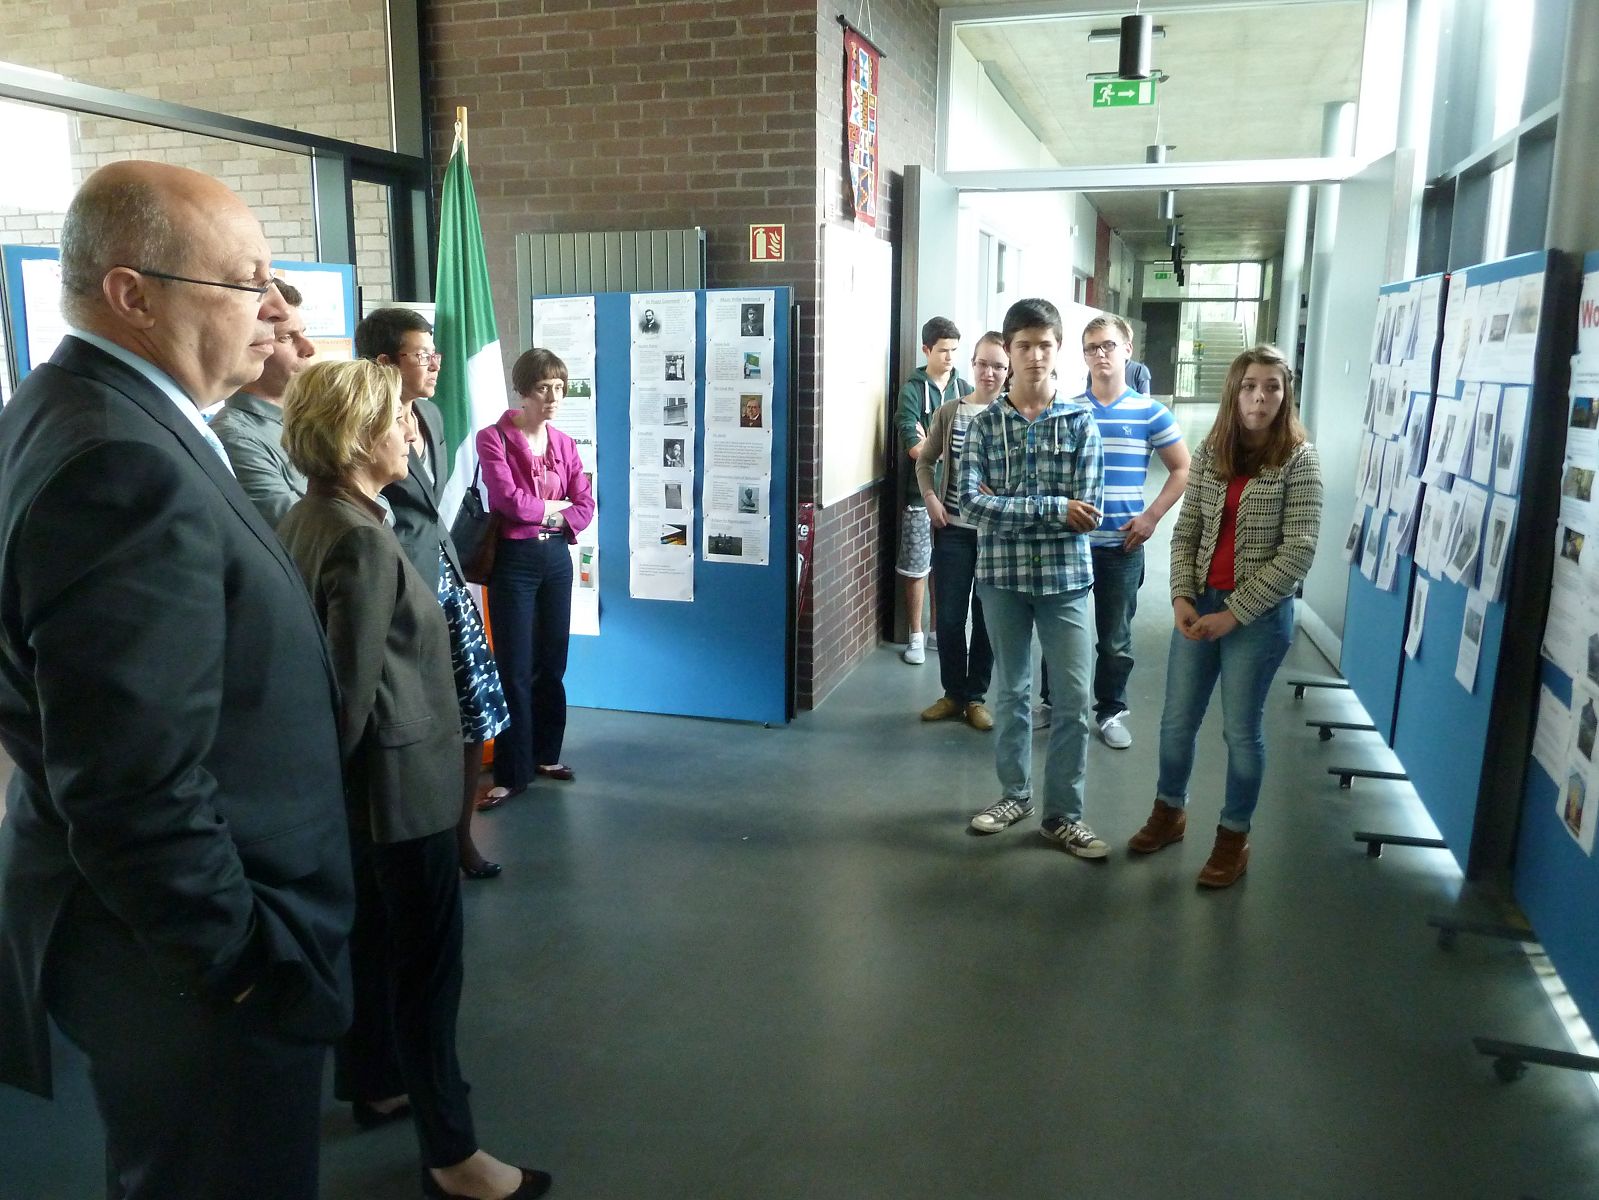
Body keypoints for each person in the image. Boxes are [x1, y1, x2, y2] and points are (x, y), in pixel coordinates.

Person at [0, 161, 353, 1199]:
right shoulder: (123, 463)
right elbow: (130, 779)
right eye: (248, 281)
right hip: (189, 972)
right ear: (132, 293)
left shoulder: (75, 409)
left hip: (171, 942)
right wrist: (241, 967)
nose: (279, 309)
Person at [278, 359, 550, 1200]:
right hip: (401, 792)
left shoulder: (313, 515)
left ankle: (376, 1082)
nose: (412, 433)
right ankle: (453, 1153)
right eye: (398, 421)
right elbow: (347, 693)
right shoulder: (360, 540)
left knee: (375, 949)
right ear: (360, 437)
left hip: (374, 798)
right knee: (429, 970)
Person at [1129, 345, 1323, 888]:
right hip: (1199, 607)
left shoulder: (1300, 460)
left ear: (1286, 395)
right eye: (1249, 386)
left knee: (1241, 733)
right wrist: (1181, 599)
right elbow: (1186, 531)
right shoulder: (1214, 451)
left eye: (1272, 387)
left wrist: (1235, 613)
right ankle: (1169, 812)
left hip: (1256, 620)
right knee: (1176, 722)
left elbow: (1298, 551)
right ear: (1234, 391)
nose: (1260, 397)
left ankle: (1233, 839)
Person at [355, 308, 508, 880]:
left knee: (476, 711)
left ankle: (461, 835)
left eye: (436, 352)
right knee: (421, 721)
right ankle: (424, 839)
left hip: (445, 573)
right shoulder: (361, 422)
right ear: (383, 363)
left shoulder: (435, 416)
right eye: (422, 354)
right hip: (398, 580)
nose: (435, 363)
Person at [960, 298, 1108, 859]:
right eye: (1023, 345)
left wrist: (1014, 508)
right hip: (1000, 579)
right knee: (1013, 693)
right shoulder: (982, 426)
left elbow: (1088, 511)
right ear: (1008, 349)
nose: (1034, 355)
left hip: (1067, 581)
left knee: (1073, 700)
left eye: (1045, 345)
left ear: (1058, 350)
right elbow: (971, 506)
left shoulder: (1079, 421)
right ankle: (1014, 795)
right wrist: (1053, 509)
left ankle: (1063, 815)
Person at [477, 348, 596, 805]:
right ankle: (511, 770)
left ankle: (547, 754)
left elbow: (585, 504)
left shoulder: (565, 443)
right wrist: (553, 509)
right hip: (515, 560)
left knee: (553, 663)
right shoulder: (495, 439)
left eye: (560, 388)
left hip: (555, 562)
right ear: (523, 390)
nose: (552, 396)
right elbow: (508, 502)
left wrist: (553, 514)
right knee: (515, 667)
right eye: (544, 387)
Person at [1076, 314, 1190, 747]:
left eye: (1107, 345)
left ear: (1127, 349)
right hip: (1071, 545)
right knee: (1061, 630)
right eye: (1091, 348)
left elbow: (1182, 468)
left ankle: (1110, 710)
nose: (1100, 354)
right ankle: (1055, 703)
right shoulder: (1070, 408)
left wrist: (1152, 517)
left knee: (1115, 638)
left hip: (1122, 547)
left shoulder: (1149, 412)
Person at [913, 331, 1004, 731]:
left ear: (1009, 370)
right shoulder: (949, 412)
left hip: (995, 536)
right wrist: (931, 496)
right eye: (982, 363)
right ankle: (952, 693)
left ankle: (976, 698)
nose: (989, 372)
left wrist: (1003, 493)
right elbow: (924, 461)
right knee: (949, 617)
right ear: (973, 364)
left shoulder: (1014, 414)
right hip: (953, 530)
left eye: (998, 366)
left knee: (986, 619)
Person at [895, 316, 973, 665]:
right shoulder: (912, 389)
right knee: (916, 565)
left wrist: (933, 443)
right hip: (919, 494)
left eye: (954, 350)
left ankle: (937, 632)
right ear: (926, 349)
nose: (949, 357)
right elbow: (913, 446)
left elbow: (973, 444)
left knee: (948, 566)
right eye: (943, 350)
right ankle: (914, 635)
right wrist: (940, 447)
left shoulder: (964, 389)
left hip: (956, 496)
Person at [209, 277, 316, 527]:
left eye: (304, 333)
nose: (309, 348)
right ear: (252, 344)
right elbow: (301, 529)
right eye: (287, 338)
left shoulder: (315, 420)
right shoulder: (234, 437)